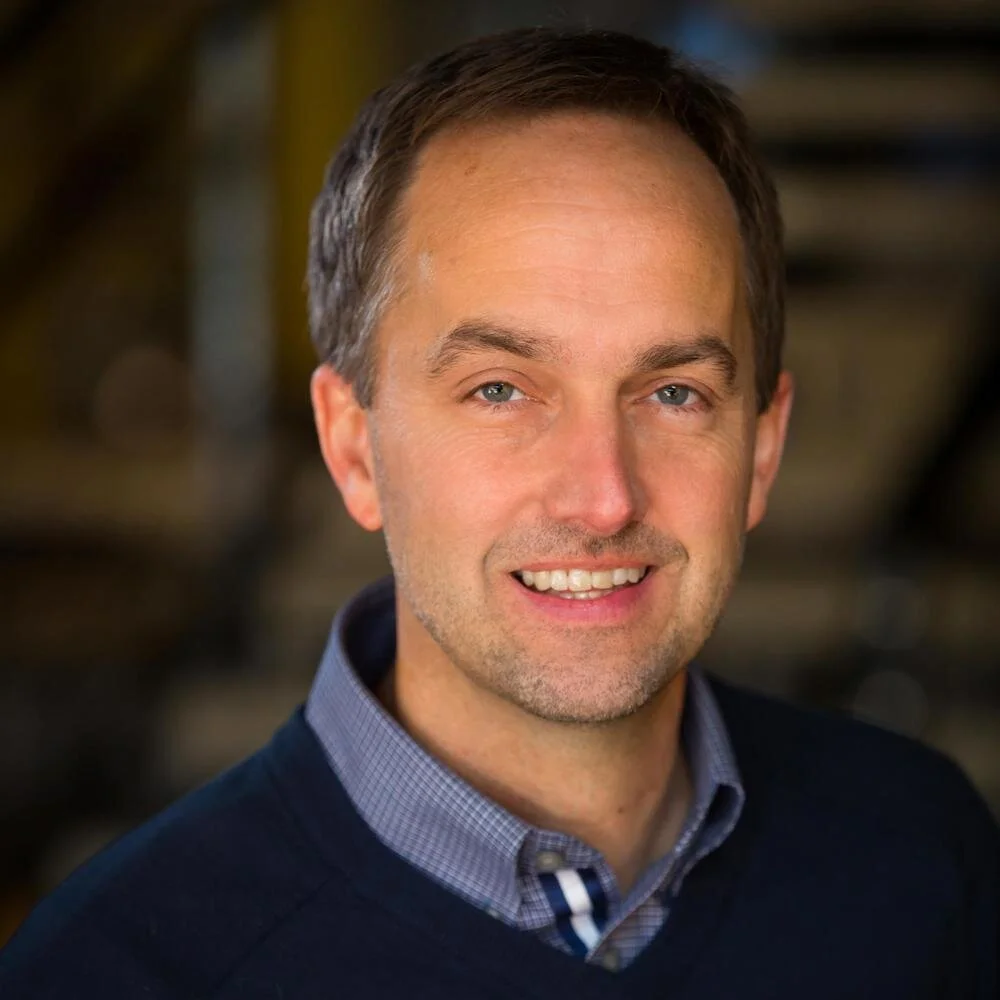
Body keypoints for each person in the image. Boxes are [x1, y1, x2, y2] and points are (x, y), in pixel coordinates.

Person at [1, 26, 997, 999]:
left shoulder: (921, 855)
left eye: (673, 393)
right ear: (354, 446)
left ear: (762, 450)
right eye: (499, 390)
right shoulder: (113, 967)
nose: (602, 496)